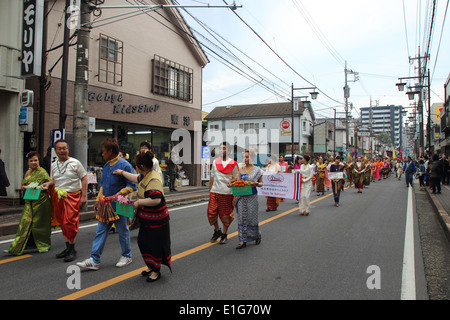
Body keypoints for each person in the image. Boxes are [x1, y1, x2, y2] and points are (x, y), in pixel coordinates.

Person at [76, 138, 136, 271]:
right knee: (101, 231)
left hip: (120, 204)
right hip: (105, 204)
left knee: (123, 231)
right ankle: (94, 259)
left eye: (103, 152)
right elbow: (102, 185)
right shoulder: (106, 165)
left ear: (110, 151)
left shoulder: (125, 165)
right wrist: (98, 199)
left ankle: (127, 255)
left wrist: (118, 194)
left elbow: (132, 186)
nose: (102, 154)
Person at [114, 150, 171, 282]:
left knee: (154, 244)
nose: (135, 167)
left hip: (157, 219)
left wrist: (137, 203)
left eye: (136, 165)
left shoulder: (154, 179)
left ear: (142, 166)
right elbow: (136, 178)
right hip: (147, 218)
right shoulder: (146, 175)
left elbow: (156, 200)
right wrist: (121, 172)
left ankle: (156, 270)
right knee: (144, 242)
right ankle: (151, 265)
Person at [41, 140, 87, 262]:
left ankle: (72, 249)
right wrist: (48, 184)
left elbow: (84, 178)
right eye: (59, 149)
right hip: (58, 196)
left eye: (64, 148)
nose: (62, 151)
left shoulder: (75, 163)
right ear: (55, 151)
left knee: (69, 222)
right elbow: (55, 180)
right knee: (62, 221)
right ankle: (67, 247)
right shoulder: (54, 164)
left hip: (72, 196)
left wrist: (83, 196)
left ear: (68, 149)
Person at [7, 152, 52, 255]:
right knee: (25, 223)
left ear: (39, 161)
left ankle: (43, 244)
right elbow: (23, 185)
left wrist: (37, 187)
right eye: (31, 161)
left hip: (41, 202)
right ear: (27, 162)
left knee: (39, 224)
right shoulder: (28, 173)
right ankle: (19, 245)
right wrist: (24, 187)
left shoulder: (43, 172)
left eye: (35, 160)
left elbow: (47, 187)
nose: (33, 162)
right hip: (29, 201)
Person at [229, 149, 263, 249]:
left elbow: (262, 183)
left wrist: (257, 184)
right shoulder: (241, 170)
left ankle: (256, 235)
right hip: (241, 197)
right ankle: (242, 240)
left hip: (252, 197)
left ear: (252, 158)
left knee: (251, 219)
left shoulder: (258, 170)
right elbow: (238, 183)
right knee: (241, 218)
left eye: (247, 157)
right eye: (244, 157)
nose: (245, 159)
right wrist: (231, 185)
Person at [207, 142, 240, 244]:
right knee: (211, 213)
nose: (221, 150)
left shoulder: (233, 163)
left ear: (229, 151)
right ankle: (217, 231)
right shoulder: (215, 162)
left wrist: (232, 181)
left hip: (226, 193)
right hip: (214, 191)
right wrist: (210, 189)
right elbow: (212, 176)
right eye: (220, 148)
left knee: (225, 215)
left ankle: (224, 234)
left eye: (224, 148)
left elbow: (237, 177)